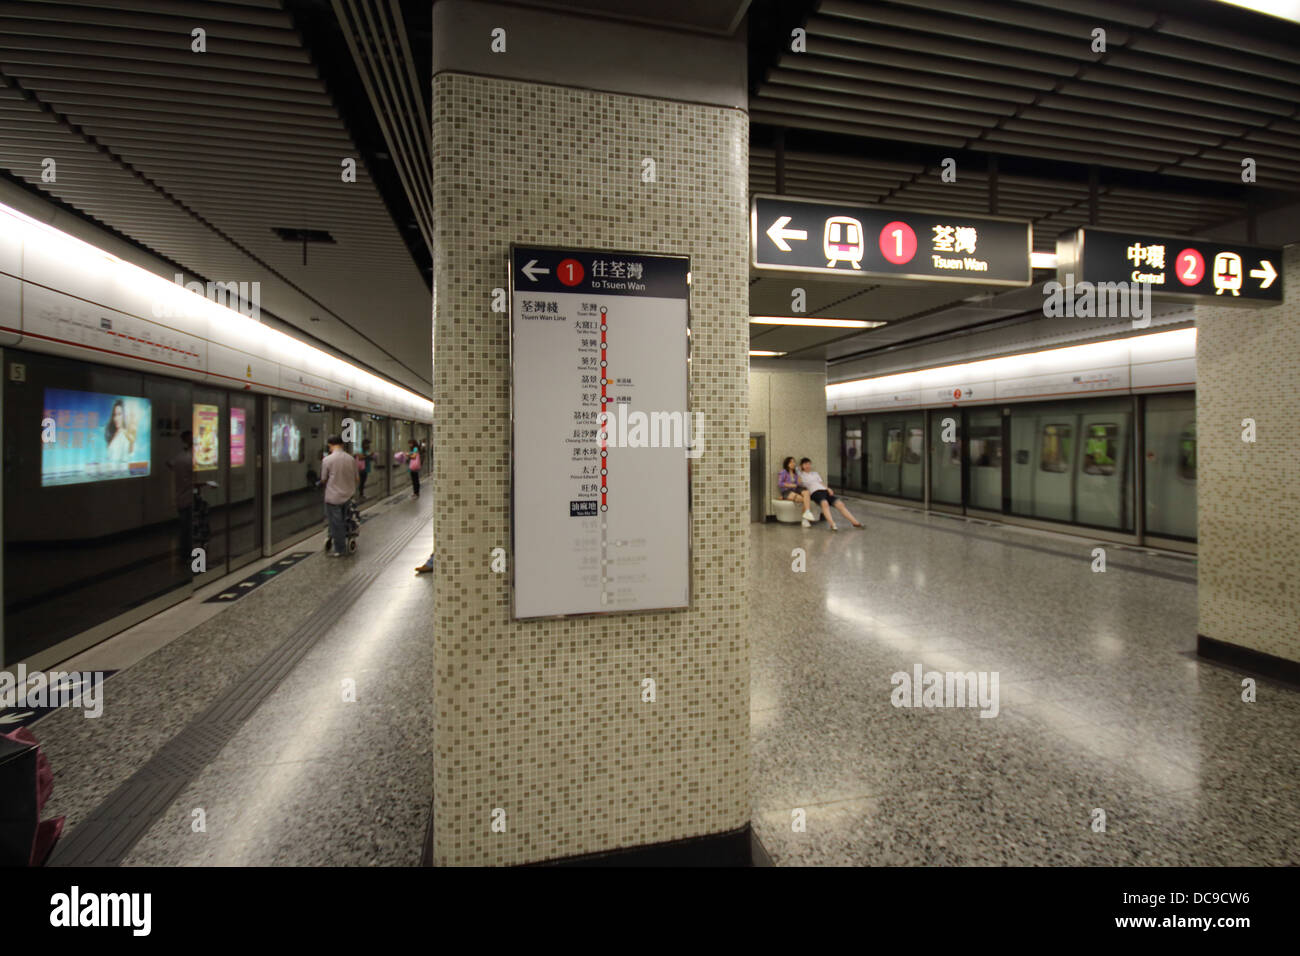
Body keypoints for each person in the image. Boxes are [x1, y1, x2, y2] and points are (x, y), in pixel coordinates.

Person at [318, 434, 359, 557]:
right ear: (342, 445)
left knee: (336, 523)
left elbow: (323, 479)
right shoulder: (350, 459)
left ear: (330, 445)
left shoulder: (327, 460)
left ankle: (339, 549)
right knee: (347, 519)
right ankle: (347, 539)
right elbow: (357, 478)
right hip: (348, 495)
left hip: (333, 497)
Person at [799, 458, 862, 532]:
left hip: (824, 490)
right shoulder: (801, 475)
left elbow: (820, 483)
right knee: (825, 504)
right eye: (805, 464)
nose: (808, 466)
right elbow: (798, 482)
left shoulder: (815, 473)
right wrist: (799, 470)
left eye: (809, 464)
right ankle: (832, 524)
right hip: (815, 493)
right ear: (802, 466)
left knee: (840, 504)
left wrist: (828, 488)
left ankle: (855, 522)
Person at [777, 456, 813, 525]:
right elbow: (780, 483)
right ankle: (804, 519)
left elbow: (798, 484)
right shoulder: (783, 472)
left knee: (806, 493)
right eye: (791, 462)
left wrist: (799, 479)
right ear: (787, 464)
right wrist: (791, 485)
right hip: (787, 491)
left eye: (794, 462)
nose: (793, 463)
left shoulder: (795, 473)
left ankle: (807, 512)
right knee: (803, 499)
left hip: (795, 490)